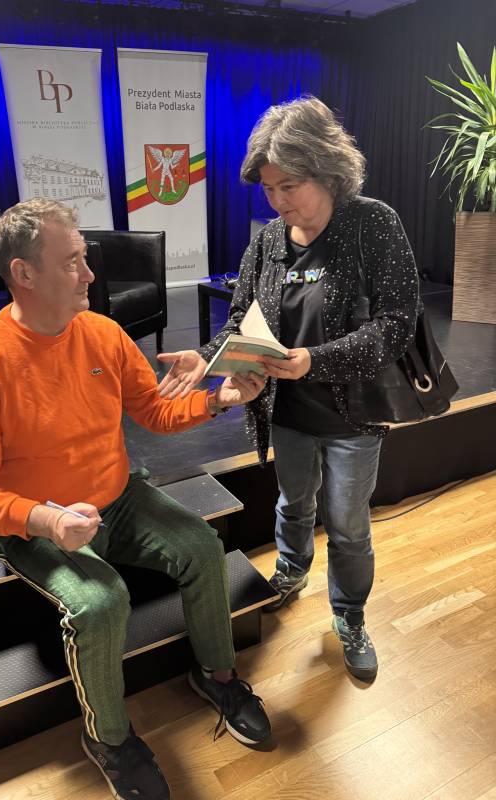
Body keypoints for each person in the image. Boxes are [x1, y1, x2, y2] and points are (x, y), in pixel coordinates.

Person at [0, 199, 271, 800]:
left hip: (119, 497)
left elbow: (154, 411)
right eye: (73, 262)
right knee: (101, 601)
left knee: (201, 545)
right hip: (38, 527)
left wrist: (217, 400)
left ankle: (218, 675)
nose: (91, 273)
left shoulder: (103, 333)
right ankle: (108, 738)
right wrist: (45, 519)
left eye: (85, 258)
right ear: (24, 273)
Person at [157, 97, 419, 683]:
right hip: (287, 412)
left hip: (352, 417)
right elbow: (240, 319)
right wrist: (208, 357)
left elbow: (396, 324)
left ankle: (349, 615)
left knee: (347, 524)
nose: (277, 201)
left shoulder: (372, 224)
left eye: (289, 186)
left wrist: (314, 361)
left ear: (327, 170)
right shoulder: (269, 241)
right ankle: (292, 571)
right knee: (293, 502)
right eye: (269, 189)